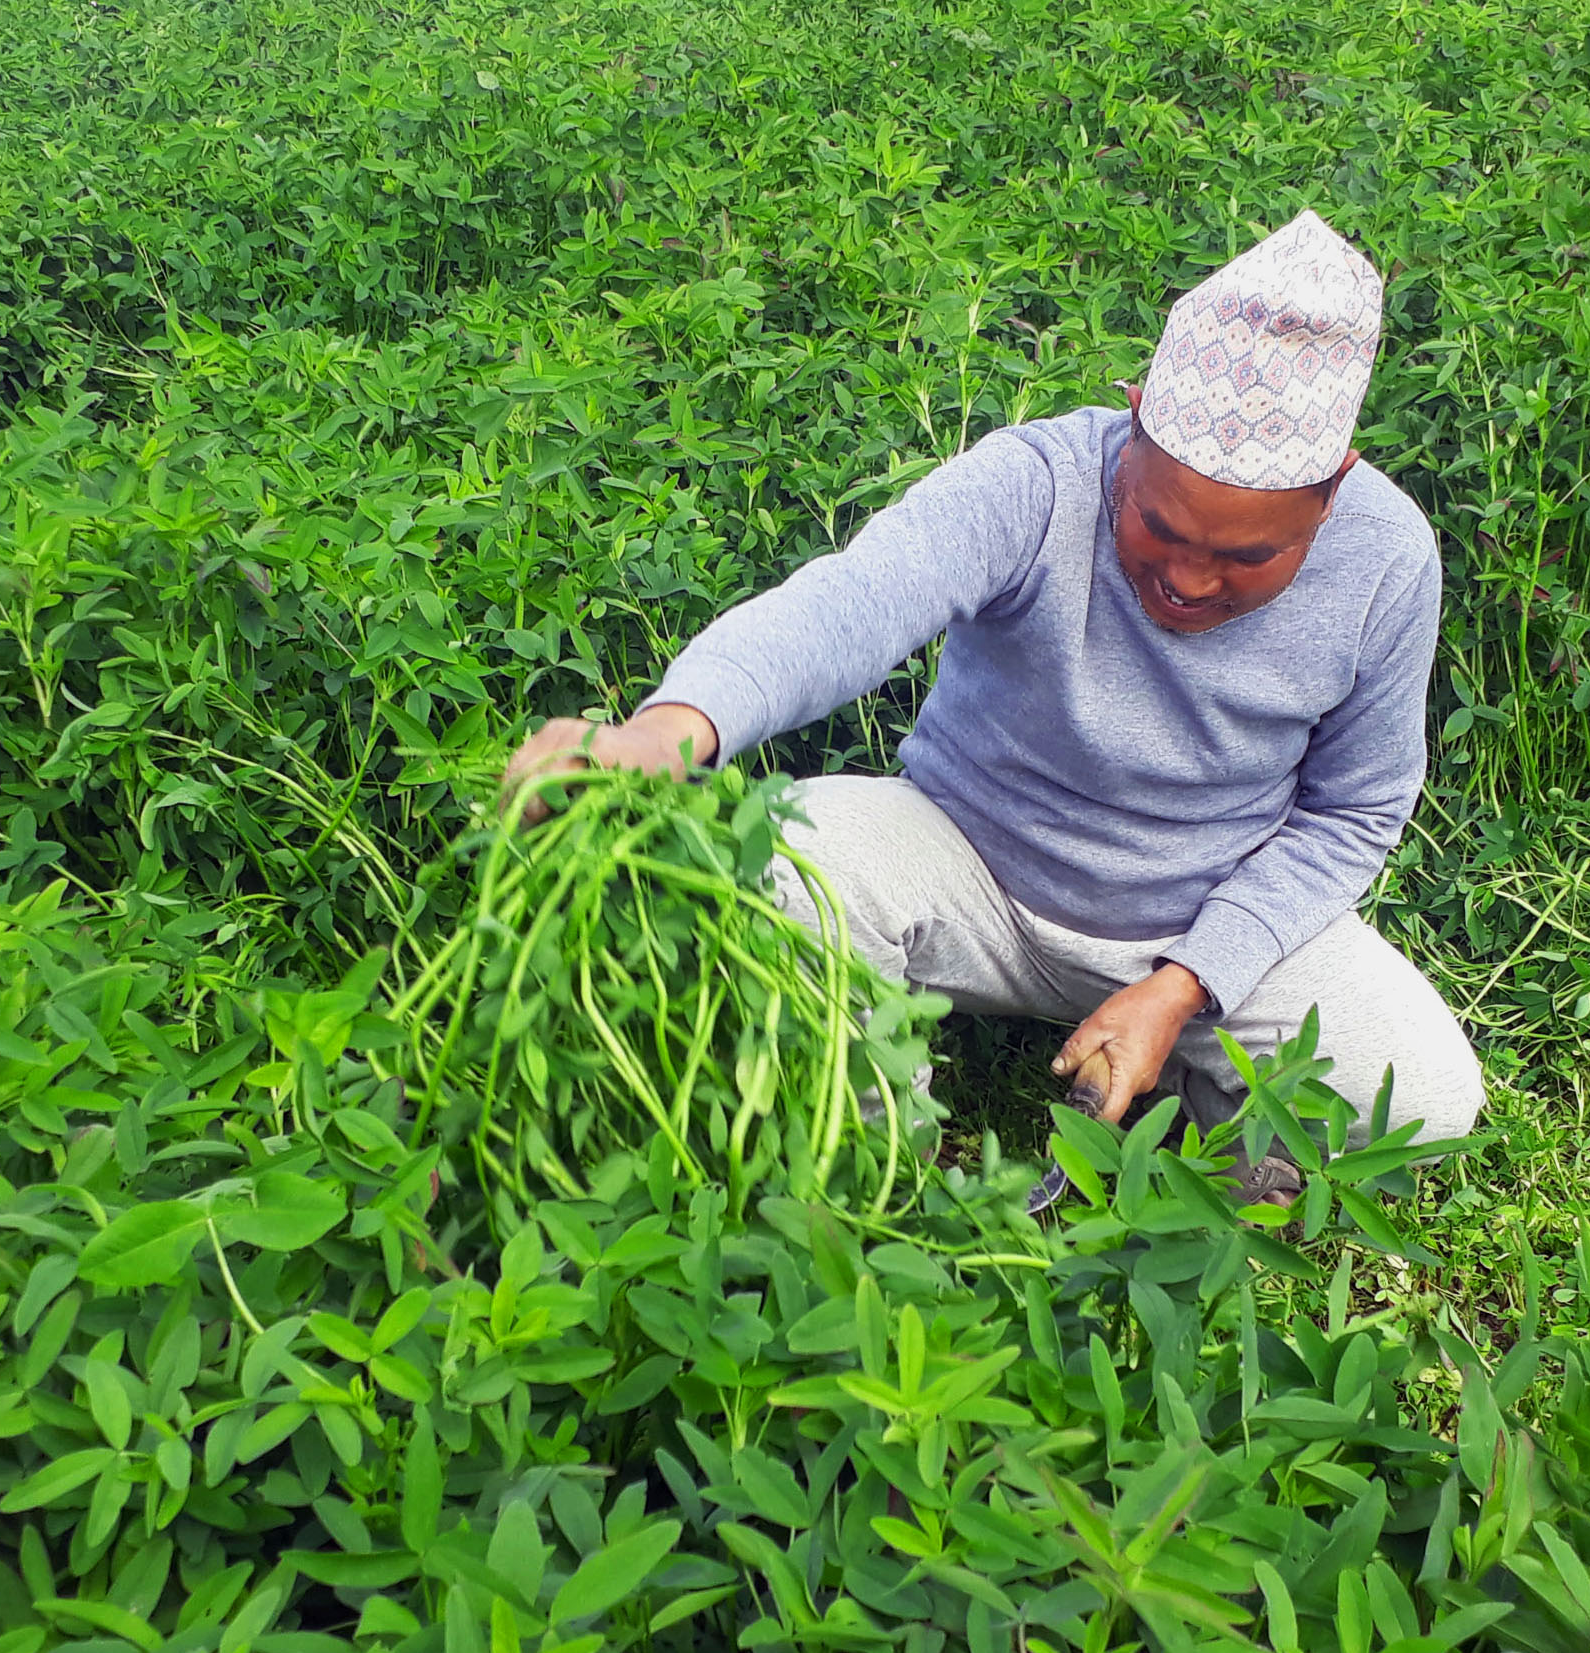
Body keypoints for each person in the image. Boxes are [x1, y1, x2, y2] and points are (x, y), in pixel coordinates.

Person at [499, 211, 1483, 1183]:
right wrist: (670, 730)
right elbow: (851, 605)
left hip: (1197, 911)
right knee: (775, 861)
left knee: (1423, 1101)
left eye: (1246, 556)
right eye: (1157, 526)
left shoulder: (1385, 559)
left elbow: (1354, 812)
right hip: (969, 862)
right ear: (1131, 423)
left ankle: (1184, 1133)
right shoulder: (1041, 483)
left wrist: (1189, 983)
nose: (1187, 579)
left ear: (1334, 489)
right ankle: (877, 1153)